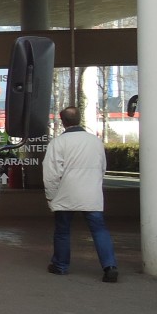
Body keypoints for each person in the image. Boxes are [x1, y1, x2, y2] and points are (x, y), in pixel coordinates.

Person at [42, 106, 118, 282]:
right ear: (79, 119)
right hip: (91, 194)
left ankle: (60, 266)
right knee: (99, 230)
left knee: (62, 231)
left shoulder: (58, 143)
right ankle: (110, 266)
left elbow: (51, 174)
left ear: (62, 122)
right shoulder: (95, 142)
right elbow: (102, 168)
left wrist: (51, 197)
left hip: (66, 193)